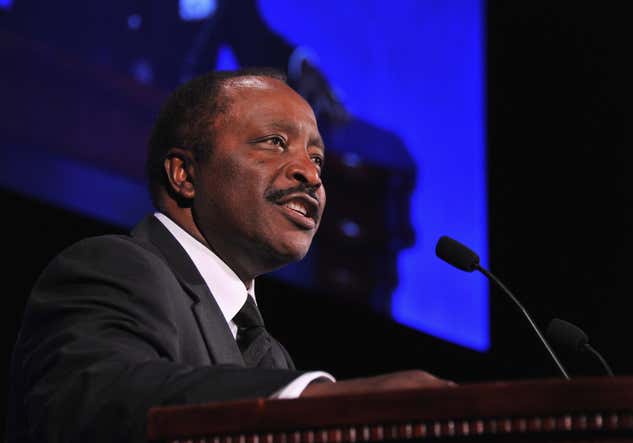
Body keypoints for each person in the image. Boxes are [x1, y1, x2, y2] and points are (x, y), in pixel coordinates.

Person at [5, 68, 447, 443]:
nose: (310, 174)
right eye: (275, 141)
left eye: (318, 159)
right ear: (184, 174)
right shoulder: (113, 268)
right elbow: (95, 399)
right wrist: (323, 401)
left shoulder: (271, 358)